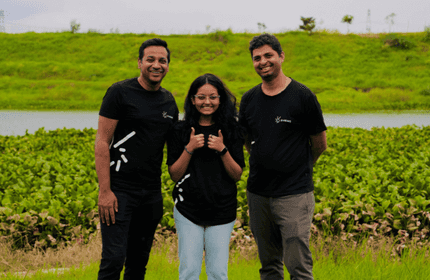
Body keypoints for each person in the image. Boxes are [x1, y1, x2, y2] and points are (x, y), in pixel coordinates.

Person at [239, 33, 327, 280]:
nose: (263, 62)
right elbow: (247, 141)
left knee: (298, 265)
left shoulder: (302, 95)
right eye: (257, 58)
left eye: (268, 55)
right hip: (258, 193)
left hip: (294, 194)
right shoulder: (249, 99)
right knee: (268, 265)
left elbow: (319, 144)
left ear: (281, 56)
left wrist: (298, 168)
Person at [94, 38, 178, 280]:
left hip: (151, 194)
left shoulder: (169, 102)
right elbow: (102, 142)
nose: (156, 65)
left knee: (138, 263)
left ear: (168, 66)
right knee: (113, 260)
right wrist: (105, 191)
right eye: (150, 59)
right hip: (119, 192)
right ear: (140, 62)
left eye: (162, 60)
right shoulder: (119, 93)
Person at [167, 73, 245, 280]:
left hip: (222, 210)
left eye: (213, 97)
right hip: (187, 209)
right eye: (201, 97)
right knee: (189, 270)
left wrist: (222, 149)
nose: (207, 102)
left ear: (221, 99)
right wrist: (189, 148)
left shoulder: (232, 129)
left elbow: (237, 174)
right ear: (192, 100)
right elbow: (174, 174)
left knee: (218, 272)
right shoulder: (179, 129)